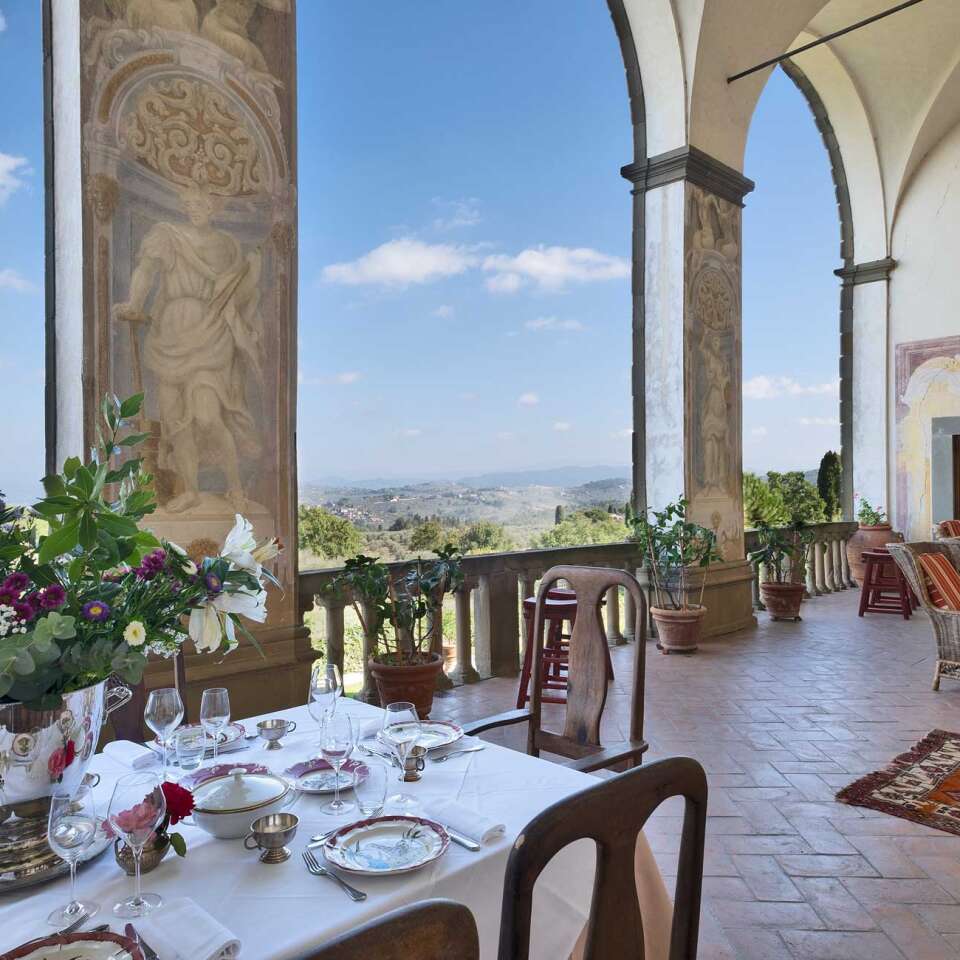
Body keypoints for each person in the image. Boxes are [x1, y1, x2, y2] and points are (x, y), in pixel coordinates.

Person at [113, 186, 263, 514]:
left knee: (208, 416)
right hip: (170, 332)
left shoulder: (227, 244)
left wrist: (252, 272)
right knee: (175, 420)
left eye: (201, 202)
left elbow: (239, 291)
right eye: (189, 203)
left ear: (213, 207)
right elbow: (146, 271)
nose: (194, 208)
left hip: (210, 330)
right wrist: (135, 303)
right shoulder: (167, 235)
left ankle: (234, 487)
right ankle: (191, 490)